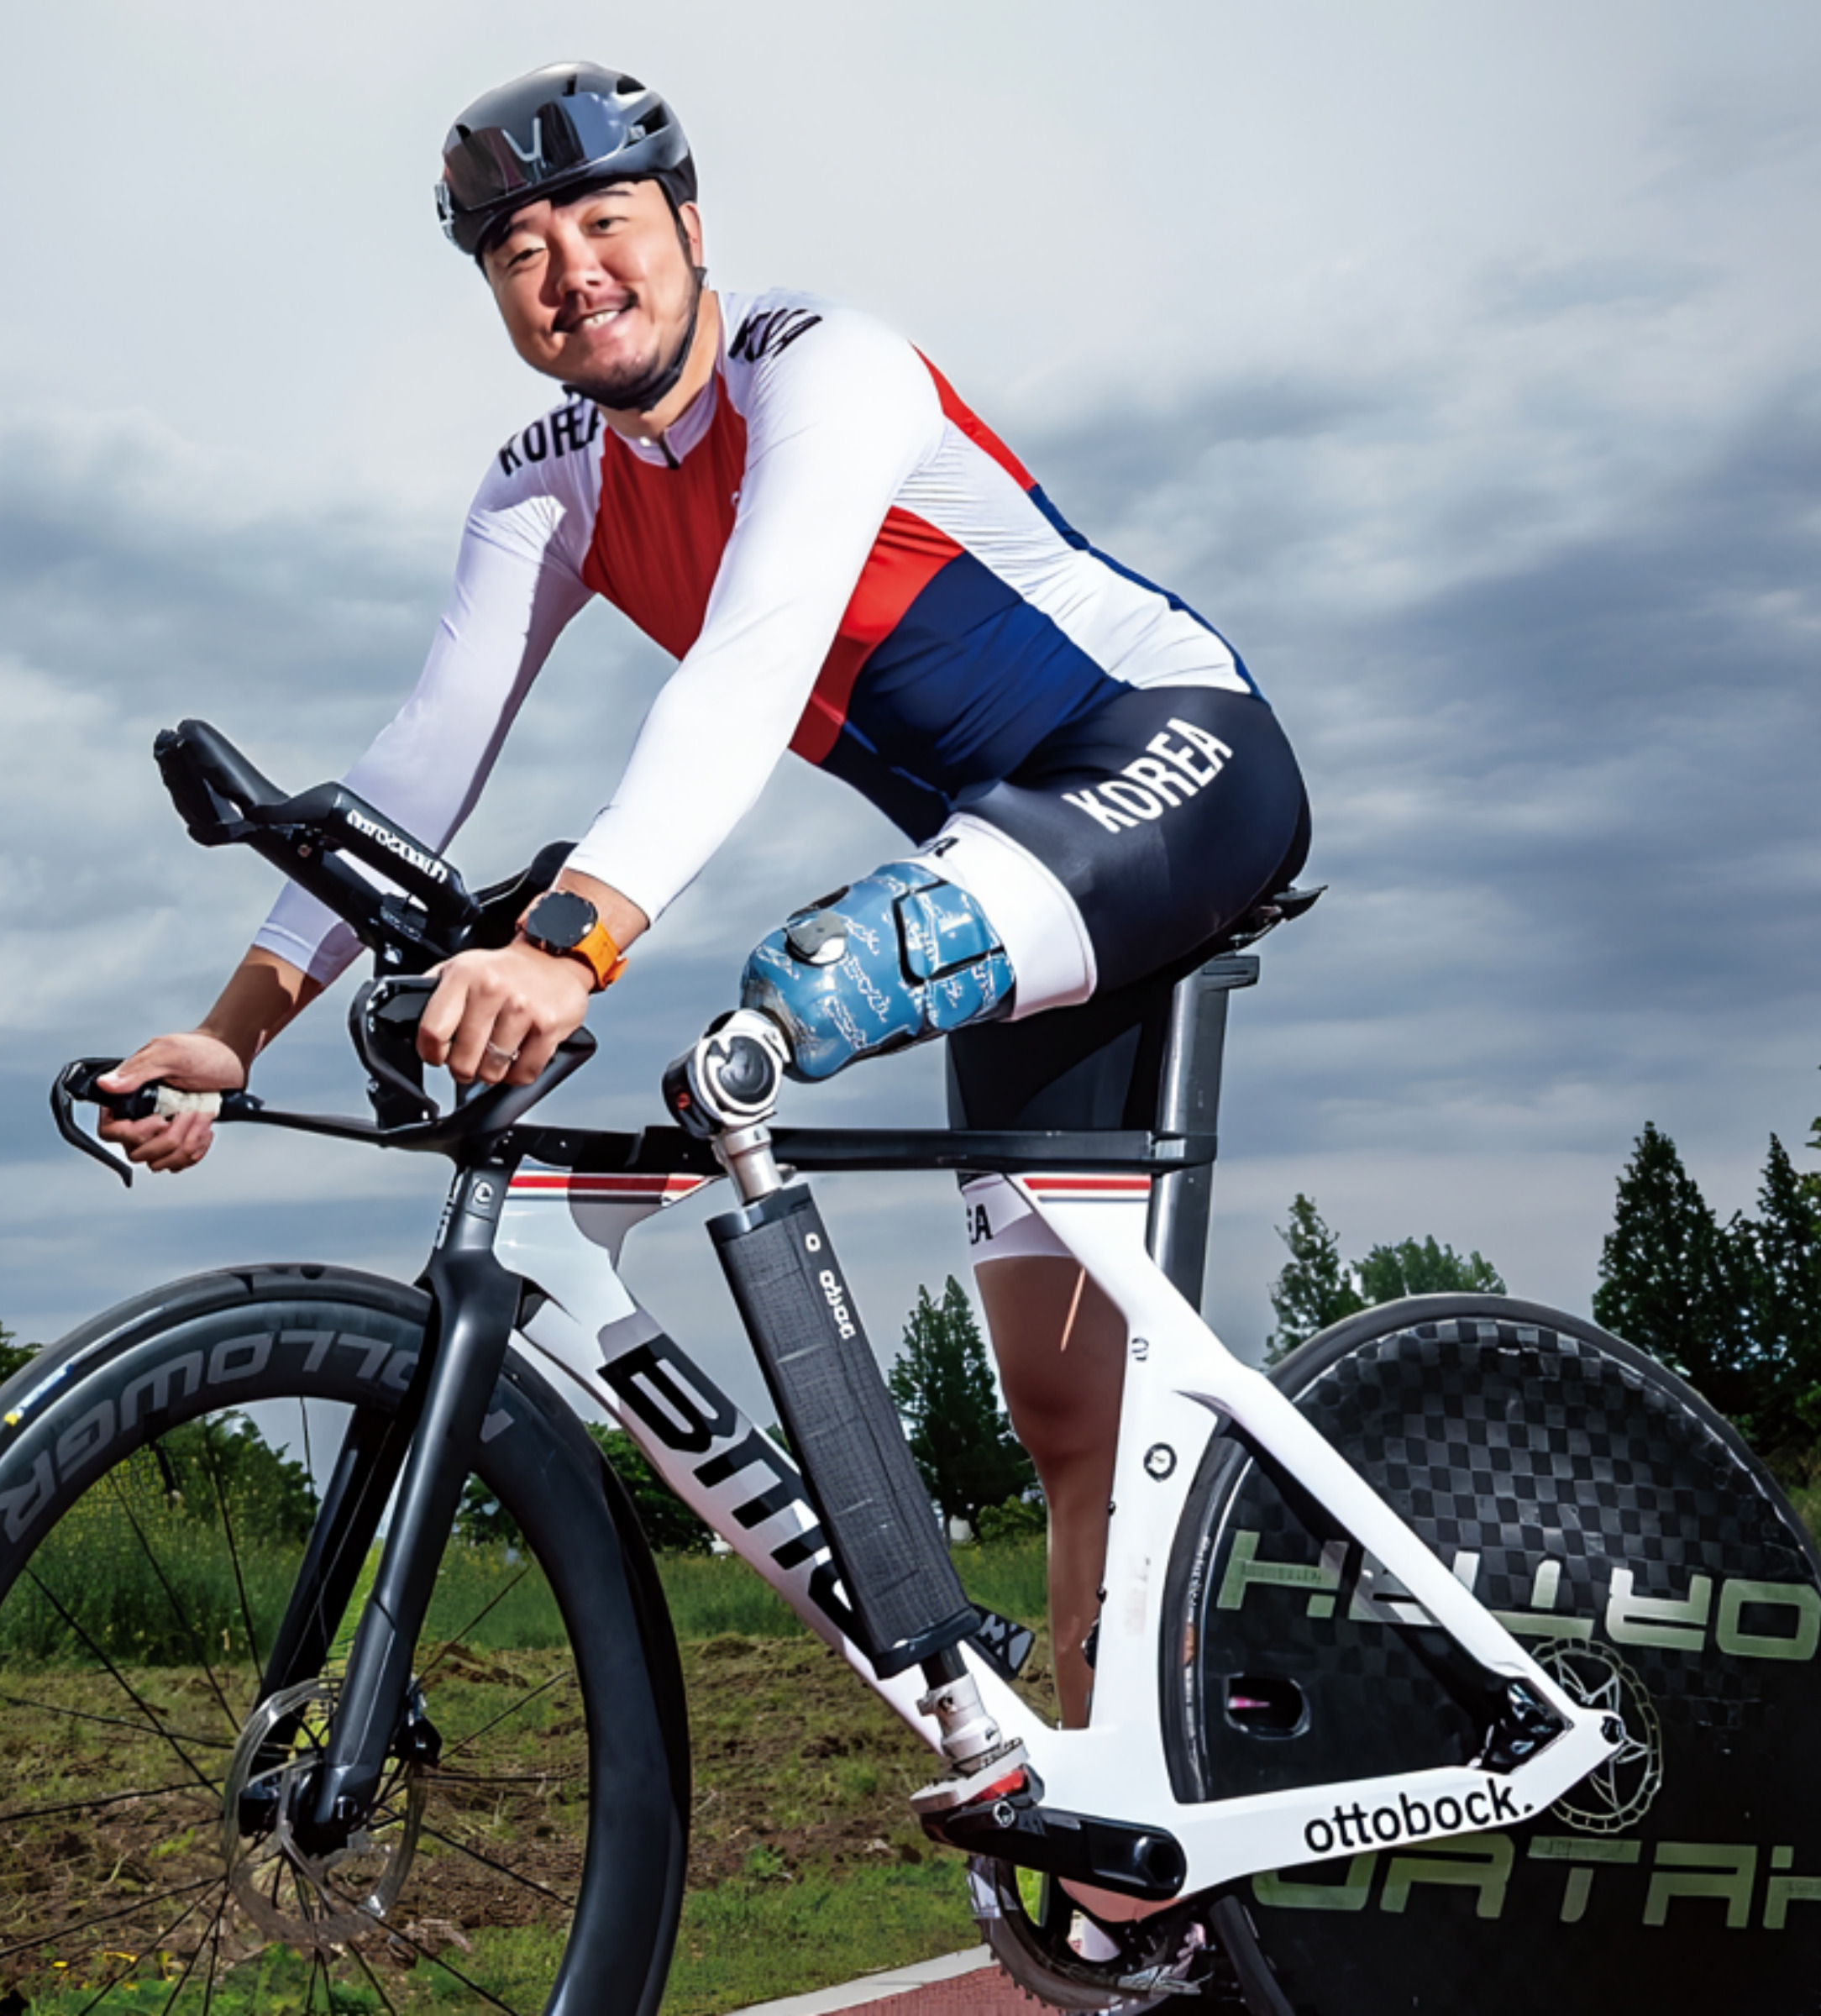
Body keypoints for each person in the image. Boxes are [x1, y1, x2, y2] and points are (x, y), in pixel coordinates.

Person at [100, 63, 1310, 1724]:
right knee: (1064, 1409)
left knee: (817, 985)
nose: (570, 270)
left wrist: (571, 941)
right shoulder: (547, 480)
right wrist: (235, 1032)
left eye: (605, 221)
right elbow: (417, 766)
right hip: (1004, 866)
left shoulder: (825, 369)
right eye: (519, 251)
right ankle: (1117, 1805)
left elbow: (748, 667)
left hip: (1179, 760)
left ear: (686, 224)